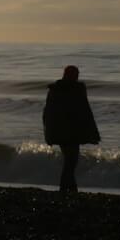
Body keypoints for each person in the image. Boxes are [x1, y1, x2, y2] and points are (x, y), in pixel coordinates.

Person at [41, 64, 101, 194]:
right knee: (71, 161)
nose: (77, 76)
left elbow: (48, 113)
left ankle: (70, 188)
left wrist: (49, 131)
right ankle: (66, 189)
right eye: (76, 74)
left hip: (61, 131)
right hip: (71, 132)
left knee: (70, 161)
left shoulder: (55, 89)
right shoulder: (76, 89)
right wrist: (92, 132)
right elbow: (84, 112)